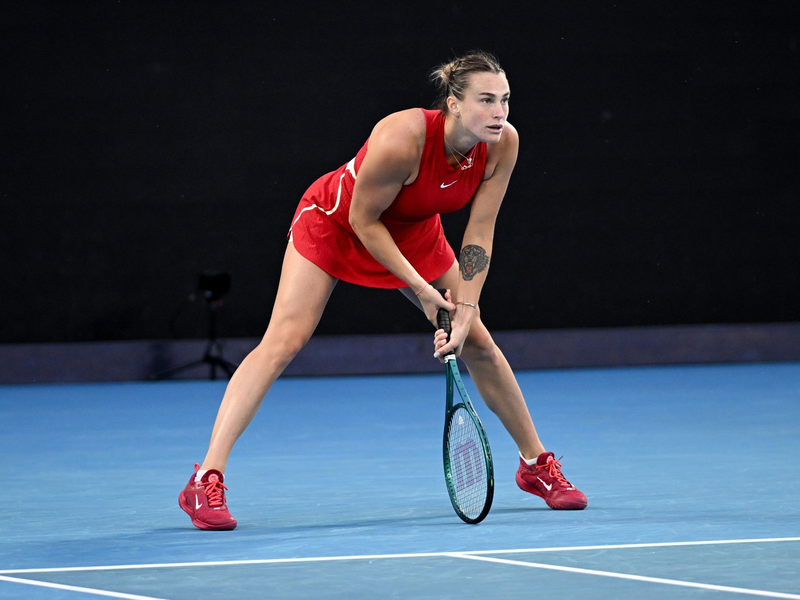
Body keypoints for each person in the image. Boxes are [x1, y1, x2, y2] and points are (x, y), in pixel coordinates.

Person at [179, 50, 587, 531]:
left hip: (414, 233)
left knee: (477, 341)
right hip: (337, 225)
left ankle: (535, 465)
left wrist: (467, 308)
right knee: (283, 341)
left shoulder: (502, 144)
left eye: (505, 100)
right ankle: (205, 479)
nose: (500, 112)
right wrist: (421, 290)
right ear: (454, 104)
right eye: (486, 100)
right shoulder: (402, 137)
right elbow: (363, 221)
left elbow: (480, 230)